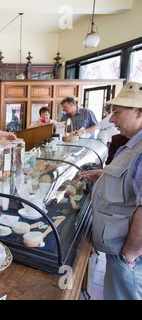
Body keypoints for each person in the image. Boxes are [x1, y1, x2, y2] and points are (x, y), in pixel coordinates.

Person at [81, 81, 142, 300]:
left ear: (139, 112)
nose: (112, 119)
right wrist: (105, 176)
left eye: (116, 112)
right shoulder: (132, 143)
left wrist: (129, 255)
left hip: (130, 255)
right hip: (120, 248)